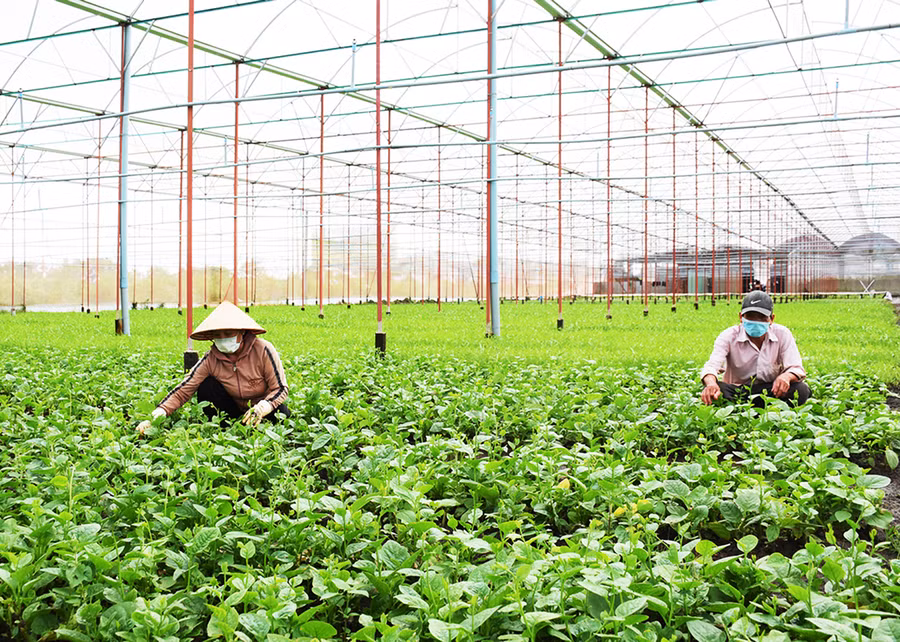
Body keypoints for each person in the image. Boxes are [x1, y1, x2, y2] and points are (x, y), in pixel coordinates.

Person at [137, 301, 289, 434]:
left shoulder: (263, 350)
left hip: (261, 409)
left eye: (228, 333)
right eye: (218, 334)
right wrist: (156, 416)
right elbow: (184, 390)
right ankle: (223, 429)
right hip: (231, 410)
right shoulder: (210, 358)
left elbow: (280, 388)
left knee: (281, 413)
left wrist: (264, 406)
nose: (223, 338)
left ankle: (260, 421)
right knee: (206, 386)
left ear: (242, 331)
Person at [700, 291, 810, 407]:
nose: (756, 322)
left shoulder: (782, 334)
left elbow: (795, 367)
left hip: (772, 390)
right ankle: (762, 407)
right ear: (741, 317)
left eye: (762, 318)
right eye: (750, 317)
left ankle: (750, 408)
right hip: (739, 391)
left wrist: (786, 377)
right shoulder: (728, 336)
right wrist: (711, 384)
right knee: (718, 390)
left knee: (801, 390)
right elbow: (712, 366)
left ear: (772, 319)